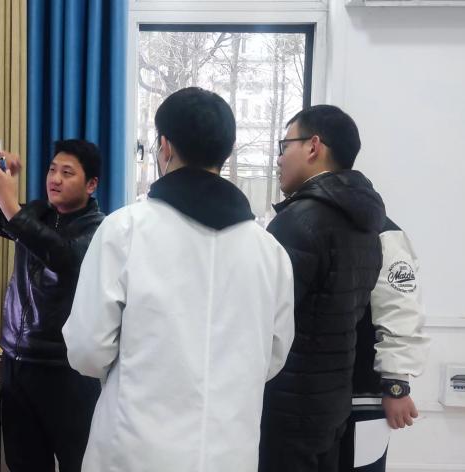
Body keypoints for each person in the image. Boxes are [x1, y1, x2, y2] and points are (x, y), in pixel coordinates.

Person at [62, 87, 295, 471]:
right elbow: (273, 357)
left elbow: (87, 349)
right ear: (226, 152)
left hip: (134, 451)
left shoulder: (125, 230)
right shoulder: (270, 253)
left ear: (165, 147)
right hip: (228, 453)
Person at [0, 139, 104, 472]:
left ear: (91, 184)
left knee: (78, 463)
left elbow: (62, 256)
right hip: (18, 363)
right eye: (52, 170)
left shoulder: (99, 228)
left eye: (67, 173)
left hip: (66, 370)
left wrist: (11, 207)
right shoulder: (38, 214)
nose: (55, 179)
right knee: (24, 463)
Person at [260, 104, 386, 472]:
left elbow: (265, 321)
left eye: (285, 146)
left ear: (313, 146)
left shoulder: (298, 222)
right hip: (331, 402)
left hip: (287, 407)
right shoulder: (366, 225)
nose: (279, 159)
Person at [338, 217, 431, 471]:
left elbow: (400, 311)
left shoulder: (382, 232)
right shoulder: (312, 221)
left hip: (365, 395)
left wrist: (396, 384)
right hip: (318, 392)